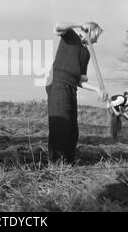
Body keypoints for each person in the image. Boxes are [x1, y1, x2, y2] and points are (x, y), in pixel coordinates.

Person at [46, 22, 107, 164]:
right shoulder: (71, 36)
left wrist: (97, 89)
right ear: (89, 31)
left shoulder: (86, 53)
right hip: (58, 83)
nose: (96, 41)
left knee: (73, 131)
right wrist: (79, 24)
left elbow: (80, 80)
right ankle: (55, 165)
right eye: (96, 36)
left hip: (72, 87)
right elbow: (57, 27)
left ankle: (68, 164)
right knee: (61, 126)